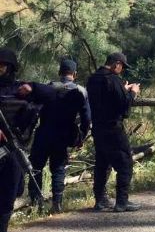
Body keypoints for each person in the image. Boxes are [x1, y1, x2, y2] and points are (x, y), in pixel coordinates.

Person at [0, 48, 54, 231]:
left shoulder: (21, 89)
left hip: (14, 150)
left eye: (2, 66)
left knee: (10, 195)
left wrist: (33, 87)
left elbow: (53, 94)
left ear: (11, 67)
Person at [28, 59, 91, 213]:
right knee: (58, 168)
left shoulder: (47, 88)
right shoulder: (81, 91)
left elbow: (33, 110)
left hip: (44, 132)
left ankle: (36, 203)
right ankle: (57, 203)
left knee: (36, 167)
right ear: (74, 74)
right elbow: (87, 118)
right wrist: (80, 137)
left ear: (59, 72)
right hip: (63, 134)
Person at [86, 52, 141, 212]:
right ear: (116, 63)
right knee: (125, 163)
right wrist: (133, 92)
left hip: (98, 127)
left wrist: (122, 89)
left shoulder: (93, 78)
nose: (122, 69)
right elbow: (124, 104)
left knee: (102, 163)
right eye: (122, 66)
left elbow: (108, 97)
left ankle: (100, 200)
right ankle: (122, 202)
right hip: (113, 128)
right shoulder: (113, 79)